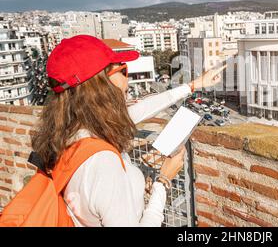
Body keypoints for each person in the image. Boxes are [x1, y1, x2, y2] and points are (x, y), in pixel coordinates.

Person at [31, 35, 224, 227]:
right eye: (123, 70)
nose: (128, 80)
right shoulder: (103, 164)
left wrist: (192, 85)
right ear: (100, 84)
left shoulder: (70, 136)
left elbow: (140, 110)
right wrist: (163, 181)